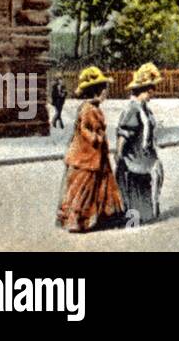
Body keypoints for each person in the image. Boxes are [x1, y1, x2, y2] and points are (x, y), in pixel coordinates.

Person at [56, 66, 124, 233]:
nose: (106, 93)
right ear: (96, 91)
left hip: (96, 155)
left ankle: (103, 217)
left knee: (101, 186)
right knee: (83, 187)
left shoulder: (93, 108)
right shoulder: (88, 109)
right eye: (103, 90)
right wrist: (97, 138)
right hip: (86, 156)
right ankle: (77, 220)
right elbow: (85, 130)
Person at [116, 63, 164, 225]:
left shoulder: (144, 108)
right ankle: (135, 216)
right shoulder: (132, 109)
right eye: (150, 91)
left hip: (144, 159)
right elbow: (124, 135)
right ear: (142, 90)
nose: (152, 94)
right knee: (136, 206)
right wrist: (119, 156)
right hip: (134, 161)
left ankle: (145, 212)